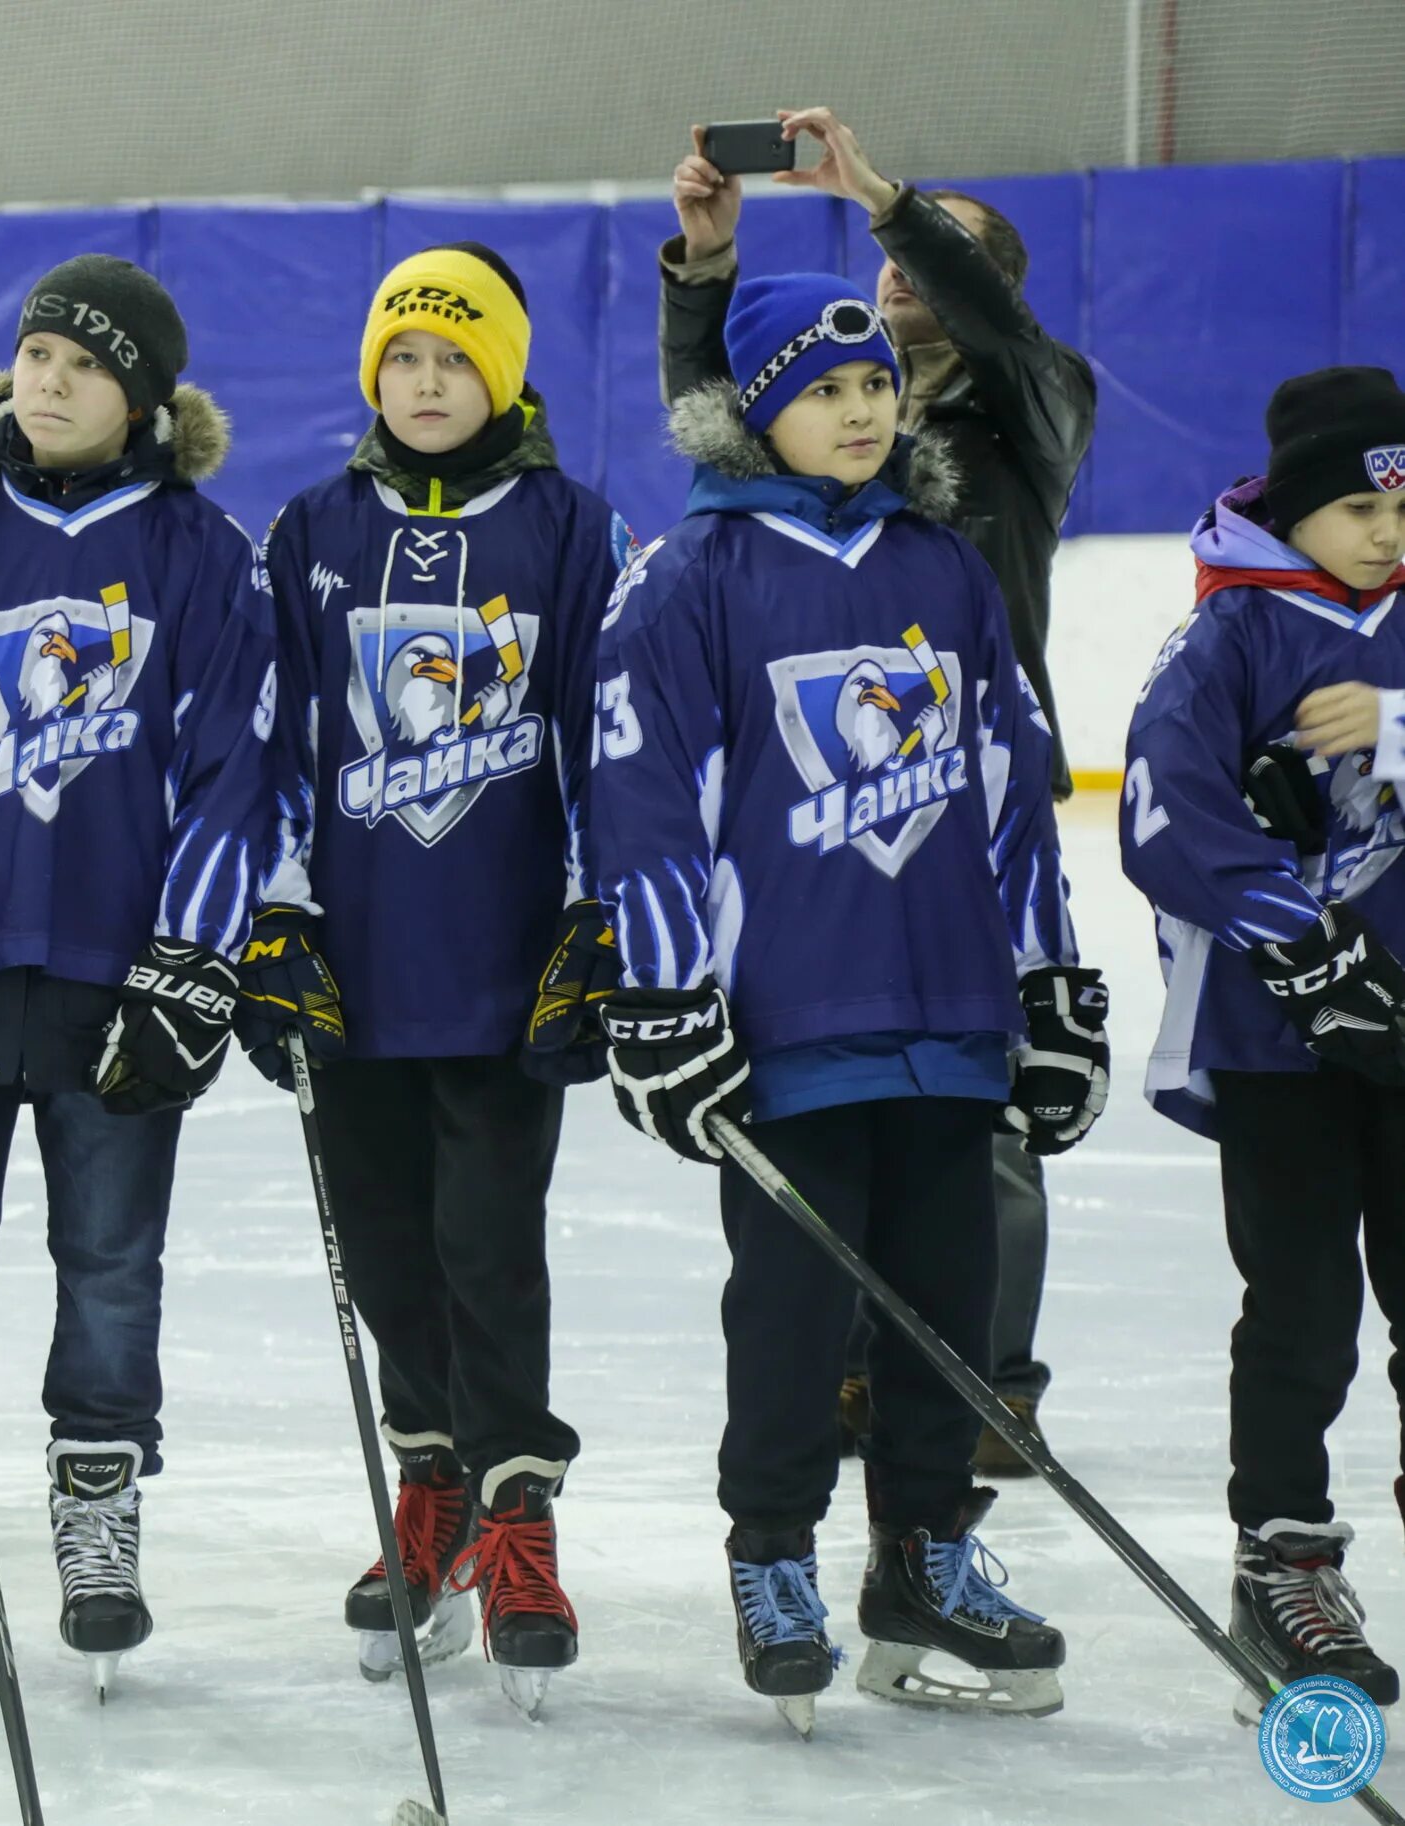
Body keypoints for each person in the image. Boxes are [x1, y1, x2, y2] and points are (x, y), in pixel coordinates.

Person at [588, 272, 1106, 1734]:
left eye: (874, 384)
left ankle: (922, 1564)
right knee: (794, 1323)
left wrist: (1048, 983)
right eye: (824, 390)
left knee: (948, 1315)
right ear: (756, 407)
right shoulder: (690, 575)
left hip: (947, 1018)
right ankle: (770, 1556)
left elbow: (1010, 791)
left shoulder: (941, 565)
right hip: (787, 1035)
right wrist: (668, 998)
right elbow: (642, 809)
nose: (861, 409)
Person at [0, 255, 278, 1707]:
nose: (50, 379)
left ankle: (94, 1508)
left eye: (85, 362)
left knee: (109, 1264)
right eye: (33, 352)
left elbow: (230, 777)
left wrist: (189, 963)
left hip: (111, 980)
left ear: (138, 395)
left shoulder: (204, 551)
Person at [662, 106, 1098, 1475]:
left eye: (931, 260)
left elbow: (993, 324)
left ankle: (986, 1379)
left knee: (974, 1123)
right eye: (886, 261)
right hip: (816, 801)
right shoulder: (817, 434)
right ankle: (855, 1369)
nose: (894, 272)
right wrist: (704, 278)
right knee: (838, 1102)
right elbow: (711, 429)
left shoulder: (1026, 406)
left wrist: (886, 196)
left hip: (963, 784)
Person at [242, 243, 629, 1714]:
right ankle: (435, 1482)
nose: (422, 381)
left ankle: (517, 1510)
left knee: (487, 1244)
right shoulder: (308, 530)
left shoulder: (570, 529)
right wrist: (272, 916)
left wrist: (591, 919)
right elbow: (271, 737)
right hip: (352, 977)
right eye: (401, 356)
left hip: (497, 972)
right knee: (386, 1248)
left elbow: (606, 736)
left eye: (452, 359)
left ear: (504, 374)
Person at [1118, 365, 1405, 1711]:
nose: (1385, 532)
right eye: (1356, 504)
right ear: (1290, 511)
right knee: (1298, 1308)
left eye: (1401, 503)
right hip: (1277, 1041)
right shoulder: (1225, 637)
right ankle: (1280, 1556)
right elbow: (1159, 818)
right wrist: (1303, 942)